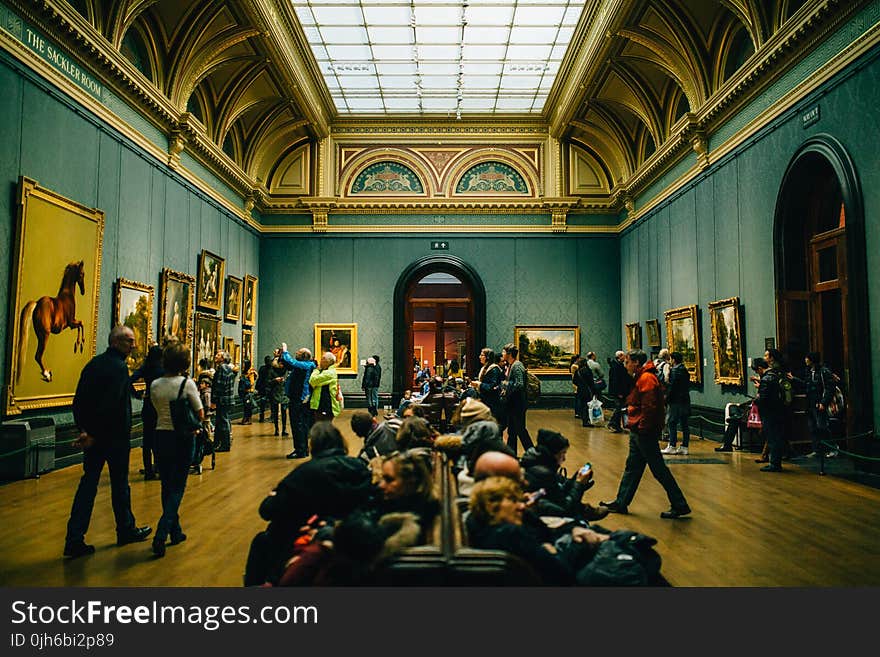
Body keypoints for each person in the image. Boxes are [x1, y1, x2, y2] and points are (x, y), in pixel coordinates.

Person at [244, 422, 372, 586]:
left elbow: (267, 510)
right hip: (351, 536)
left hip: (300, 536)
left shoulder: (305, 472)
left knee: (261, 541)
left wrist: (274, 494)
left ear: (313, 445)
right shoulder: (359, 467)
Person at [63, 325, 152, 558]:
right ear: (115, 342)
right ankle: (125, 529)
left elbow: (79, 401)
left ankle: (74, 538)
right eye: (129, 341)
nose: (133, 345)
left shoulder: (93, 364)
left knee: (88, 486)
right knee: (120, 485)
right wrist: (94, 434)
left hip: (94, 437)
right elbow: (111, 406)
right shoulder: (119, 368)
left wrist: (84, 429)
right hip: (113, 438)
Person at [599, 349, 691, 519]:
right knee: (632, 468)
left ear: (636, 362)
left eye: (627, 362)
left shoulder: (646, 378)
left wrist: (642, 428)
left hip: (643, 432)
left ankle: (680, 504)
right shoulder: (642, 376)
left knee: (658, 469)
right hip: (638, 430)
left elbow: (650, 408)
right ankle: (621, 502)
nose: (625, 365)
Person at [148, 340, 205, 557]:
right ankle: (161, 533)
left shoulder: (155, 384)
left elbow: (157, 409)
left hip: (161, 435)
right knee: (178, 487)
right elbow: (199, 412)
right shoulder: (186, 384)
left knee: (166, 484)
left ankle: (176, 531)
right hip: (183, 438)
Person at [130, 344, 163, 480]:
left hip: (148, 405)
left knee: (147, 439)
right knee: (159, 438)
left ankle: (149, 470)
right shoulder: (163, 368)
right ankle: (159, 467)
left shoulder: (146, 366)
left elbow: (129, 380)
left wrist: (137, 395)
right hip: (161, 405)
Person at [796, 352, 837, 458]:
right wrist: (794, 379)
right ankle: (817, 449)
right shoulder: (809, 371)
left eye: (807, 358)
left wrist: (824, 402)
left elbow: (829, 388)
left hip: (819, 403)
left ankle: (832, 448)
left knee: (822, 426)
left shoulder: (824, 371)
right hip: (810, 403)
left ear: (812, 359)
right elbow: (807, 384)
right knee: (813, 427)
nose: (805, 360)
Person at [279, 344, 317, 459]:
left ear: (304, 356)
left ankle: (300, 450)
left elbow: (292, 363)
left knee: (298, 425)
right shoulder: (306, 365)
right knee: (301, 425)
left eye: (298, 353)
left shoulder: (305, 365)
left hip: (299, 399)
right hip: (299, 399)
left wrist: (285, 351)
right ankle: (303, 449)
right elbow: (289, 364)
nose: (296, 353)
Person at [752, 355, 786, 472]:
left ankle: (774, 464)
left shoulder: (766, 379)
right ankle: (775, 462)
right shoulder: (775, 375)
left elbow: (763, 398)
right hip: (778, 410)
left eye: (757, 370)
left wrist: (756, 399)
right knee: (776, 437)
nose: (757, 372)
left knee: (772, 438)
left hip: (770, 412)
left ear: (760, 368)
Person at [501, 343, 534, 456]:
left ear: (509, 354)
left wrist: (506, 386)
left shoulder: (517, 365)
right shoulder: (511, 365)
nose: (502, 354)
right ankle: (511, 455)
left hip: (518, 404)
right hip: (513, 404)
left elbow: (519, 384)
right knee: (512, 432)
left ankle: (533, 455)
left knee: (520, 431)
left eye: (504, 352)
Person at [661, 352, 692, 455]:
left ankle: (672, 445)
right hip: (685, 400)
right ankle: (684, 446)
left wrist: (666, 398)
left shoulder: (674, 371)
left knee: (672, 422)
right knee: (684, 424)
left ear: (673, 360)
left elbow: (672, 388)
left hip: (675, 401)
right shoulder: (684, 370)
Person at [470, 347, 504, 423]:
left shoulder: (494, 369)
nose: (479, 357)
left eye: (482, 355)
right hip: (486, 401)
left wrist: (479, 384)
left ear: (487, 358)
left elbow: (491, 387)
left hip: (492, 403)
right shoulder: (485, 367)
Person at [211, 350, 236, 451]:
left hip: (223, 399)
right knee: (221, 421)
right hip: (227, 399)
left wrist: (214, 400)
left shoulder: (222, 368)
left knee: (223, 421)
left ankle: (225, 445)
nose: (215, 356)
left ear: (223, 358)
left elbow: (220, 386)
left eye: (218, 355)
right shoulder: (228, 368)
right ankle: (217, 443)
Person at [309, 352, 340, 423]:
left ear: (327, 362)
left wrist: (316, 370)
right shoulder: (325, 371)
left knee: (323, 428)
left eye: (322, 359)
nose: (320, 362)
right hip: (321, 405)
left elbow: (312, 381)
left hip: (325, 405)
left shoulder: (330, 373)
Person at [607, 350, 632, 432]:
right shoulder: (616, 366)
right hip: (618, 391)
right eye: (623, 356)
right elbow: (616, 380)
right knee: (619, 408)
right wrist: (619, 392)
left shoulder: (616, 365)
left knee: (620, 408)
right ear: (620, 356)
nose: (624, 358)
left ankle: (616, 425)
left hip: (619, 391)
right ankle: (612, 423)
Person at [268, 349, 290, 437]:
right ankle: (276, 429)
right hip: (275, 392)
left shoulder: (286, 371)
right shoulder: (272, 370)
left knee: (284, 412)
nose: (281, 365)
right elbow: (268, 381)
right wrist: (275, 380)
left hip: (284, 392)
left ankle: (284, 429)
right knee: (275, 412)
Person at [238, 358, 257, 425]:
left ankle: (248, 419)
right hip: (244, 391)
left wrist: (244, 381)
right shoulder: (244, 371)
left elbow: (251, 383)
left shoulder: (250, 372)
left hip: (248, 391)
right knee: (246, 406)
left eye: (244, 364)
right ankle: (246, 419)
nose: (242, 365)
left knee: (248, 406)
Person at [255, 355, 273, 422]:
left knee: (262, 404)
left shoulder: (262, 368)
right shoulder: (272, 368)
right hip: (268, 388)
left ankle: (262, 417)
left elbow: (260, 379)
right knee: (270, 403)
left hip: (264, 387)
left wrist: (257, 387)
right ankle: (271, 417)